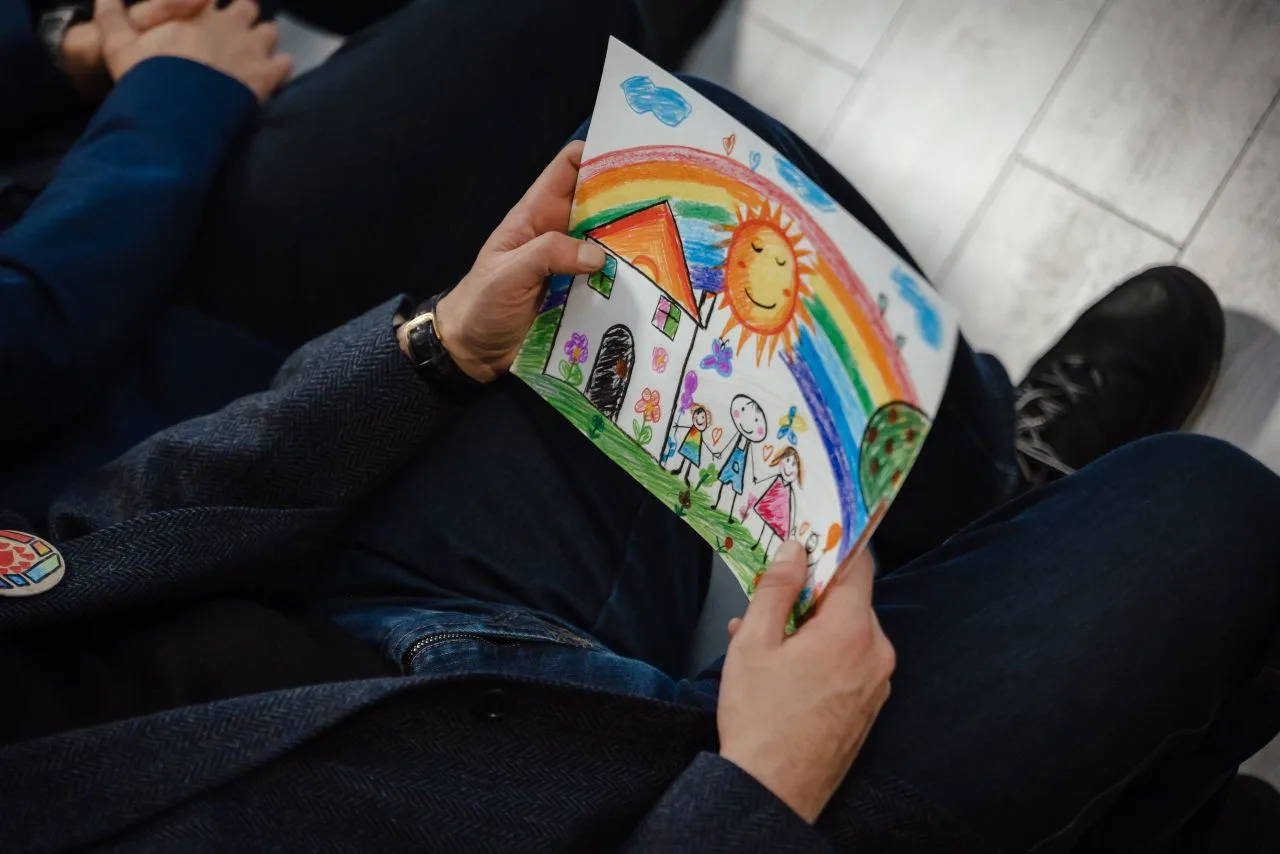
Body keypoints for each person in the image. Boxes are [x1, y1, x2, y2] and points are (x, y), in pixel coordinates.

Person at [2, 79, 1277, 854]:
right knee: (1210, 520)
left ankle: (984, 492)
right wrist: (757, 792)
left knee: (694, 175)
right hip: (633, 816)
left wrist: (428, 351)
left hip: (370, 625)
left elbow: (90, 546)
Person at [0, 0, 649, 526]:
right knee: (551, 20)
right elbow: (28, 345)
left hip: (72, 218)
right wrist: (174, 93)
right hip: (127, 375)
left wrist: (58, 47)